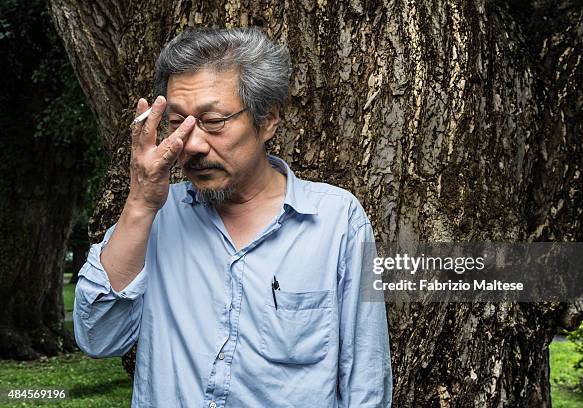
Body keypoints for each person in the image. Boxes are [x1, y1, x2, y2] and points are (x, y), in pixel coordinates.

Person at [74, 26, 392, 408]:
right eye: (177, 123)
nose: (190, 145)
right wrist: (140, 204)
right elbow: (97, 336)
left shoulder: (336, 221)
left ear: (268, 118)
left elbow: (366, 382)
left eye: (213, 121)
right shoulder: (156, 216)